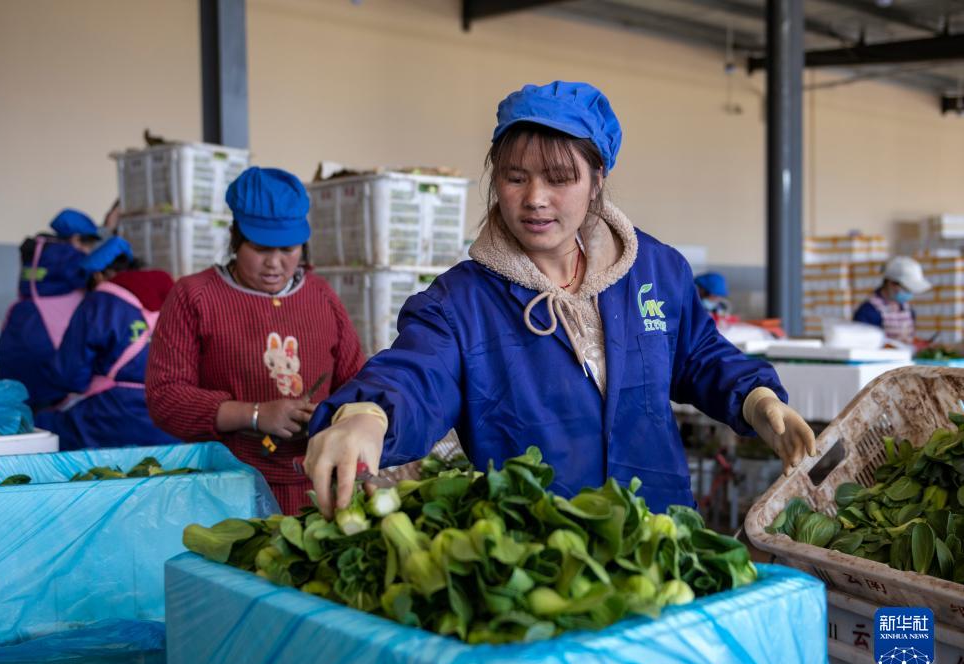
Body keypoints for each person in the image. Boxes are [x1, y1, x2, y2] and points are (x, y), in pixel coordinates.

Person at [304, 80, 817, 518]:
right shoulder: (460, 303)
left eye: (560, 178)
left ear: (597, 180)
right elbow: (417, 374)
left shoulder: (654, 271)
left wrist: (756, 399)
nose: (535, 199)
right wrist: (367, 416)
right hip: (539, 549)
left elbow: (699, 355)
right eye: (515, 178)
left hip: (658, 528)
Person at [145, 167, 366, 512]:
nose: (275, 264)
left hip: (317, 490)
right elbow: (165, 397)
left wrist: (336, 419)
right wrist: (254, 415)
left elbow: (357, 385)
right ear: (235, 238)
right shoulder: (195, 297)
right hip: (225, 491)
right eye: (261, 249)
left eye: (288, 249)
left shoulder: (321, 295)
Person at [35, 237, 180, 450]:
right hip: (175, 419)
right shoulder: (175, 294)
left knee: (41, 426)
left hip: (114, 416)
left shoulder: (100, 301)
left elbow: (71, 375)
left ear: (98, 275)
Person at [0, 208, 103, 409]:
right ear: (76, 238)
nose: (88, 250)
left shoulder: (38, 251)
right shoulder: (68, 256)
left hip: (18, 326)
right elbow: (91, 276)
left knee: (19, 395)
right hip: (46, 331)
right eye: (89, 244)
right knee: (49, 395)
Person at [852, 256, 931, 345]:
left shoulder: (907, 309)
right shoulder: (868, 311)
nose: (909, 293)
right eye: (906, 289)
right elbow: (863, 344)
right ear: (892, 283)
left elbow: (910, 337)